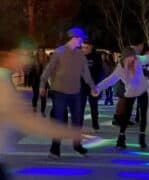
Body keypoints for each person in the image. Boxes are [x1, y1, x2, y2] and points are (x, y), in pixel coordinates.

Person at [0, 49, 85, 180]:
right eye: (21, 55)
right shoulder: (3, 84)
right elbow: (27, 121)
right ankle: (55, 149)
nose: (26, 61)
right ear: (8, 56)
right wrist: (70, 133)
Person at [40, 27, 97, 159]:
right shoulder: (59, 52)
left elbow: (85, 73)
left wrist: (92, 86)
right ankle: (55, 149)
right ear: (75, 38)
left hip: (76, 93)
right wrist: (43, 85)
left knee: (77, 120)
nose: (82, 42)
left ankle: (77, 146)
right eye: (81, 39)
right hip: (60, 92)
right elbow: (48, 70)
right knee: (59, 121)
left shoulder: (80, 55)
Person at [93, 47, 149, 149]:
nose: (132, 59)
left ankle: (142, 138)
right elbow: (109, 80)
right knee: (126, 116)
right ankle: (121, 139)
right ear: (124, 58)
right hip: (130, 94)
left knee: (143, 114)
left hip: (142, 91)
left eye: (133, 57)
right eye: (130, 57)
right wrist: (98, 87)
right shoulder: (120, 68)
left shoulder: (138, 59)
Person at [80, 40, 104, 130]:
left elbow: (100, 72)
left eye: (86, 47)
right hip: (81, 86)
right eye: (82, 47)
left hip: (93, 86)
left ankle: (95, 124)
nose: (84, 49)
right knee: (80, 106)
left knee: (94, 106)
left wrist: (98, 85)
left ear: (91, 47)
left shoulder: (96, 57)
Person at [30, 48, 49, 117]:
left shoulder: (47, 59)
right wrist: (31, 81)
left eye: (42, 51)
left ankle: (43, 111)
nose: (41, 52)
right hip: (36, 80)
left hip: (44, 81)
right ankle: (34, 107)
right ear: (38, 52)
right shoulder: (34, 60)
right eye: (39, 51)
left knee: (43, 96)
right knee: (35, 95)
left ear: (44, 52)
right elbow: (31, 71)